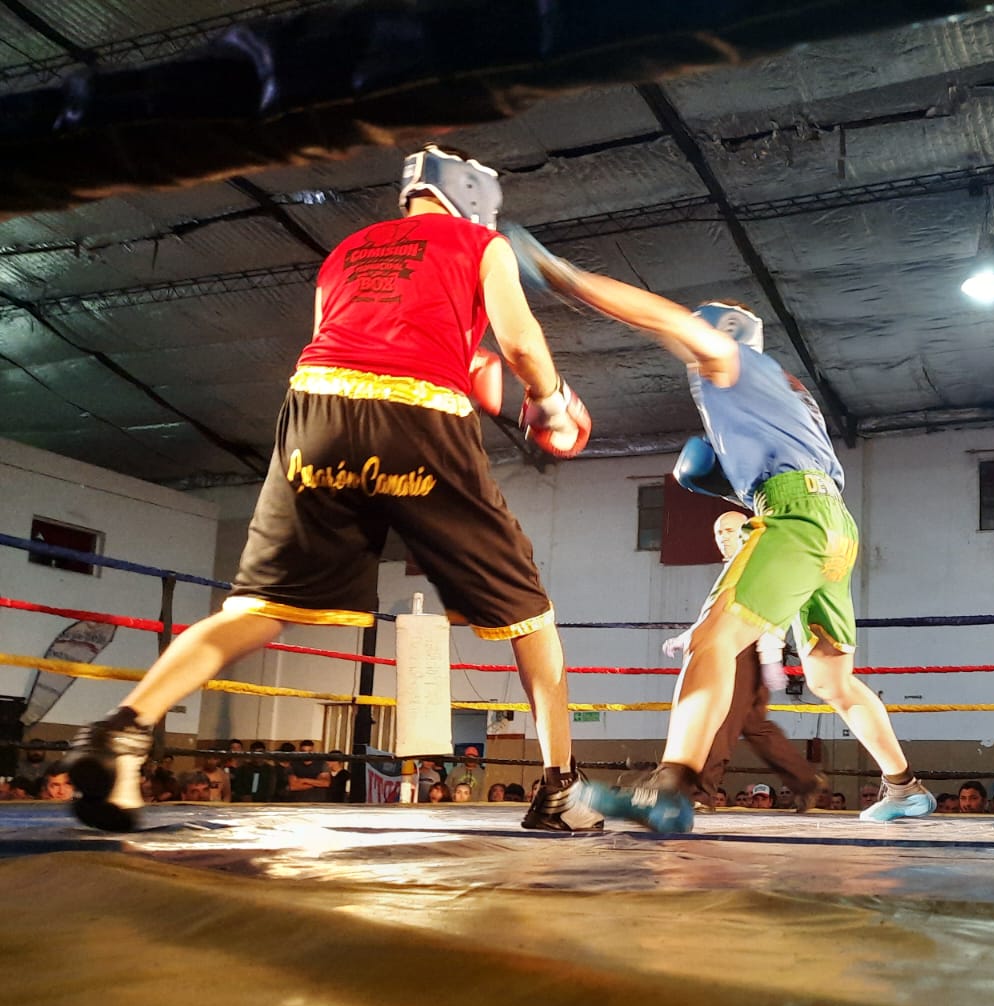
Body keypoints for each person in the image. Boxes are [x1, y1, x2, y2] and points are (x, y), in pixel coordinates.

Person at [61, 144, 595, 834]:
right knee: (530, 615)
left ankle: (122, 730)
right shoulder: (479, 244)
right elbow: (520, 343)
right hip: (416, 413)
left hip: (314, 413)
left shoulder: (345, 252)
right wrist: (551, 402)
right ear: (473, 193)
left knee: (260, 605)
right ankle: (559, 789)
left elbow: (335, 341)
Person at [521, 247, 935, 831]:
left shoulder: (732, 361)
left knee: (710, 641)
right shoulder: (782, 391)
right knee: (829, 678)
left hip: (796, 513)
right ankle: (904, 786)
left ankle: (671, 787)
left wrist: (566, 277)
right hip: (835, 525)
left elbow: (665, 319)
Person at [664, 511, 826, 807]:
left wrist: (770, 656)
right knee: (754, 724)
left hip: (742, 649)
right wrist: (689, 636)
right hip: (736, 647)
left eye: (729, 530)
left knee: (721, 718)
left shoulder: (757, 563)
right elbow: (717, 616)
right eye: (718, 532)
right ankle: (806, 779)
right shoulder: (737, 566)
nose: (722, 537)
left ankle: (701, 792)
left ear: (747, 531)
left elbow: (770, 612)